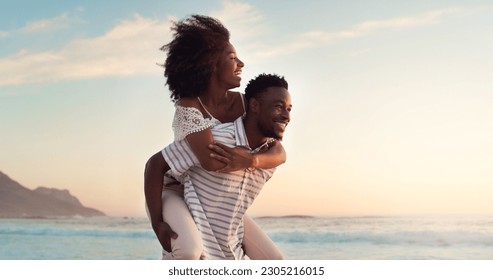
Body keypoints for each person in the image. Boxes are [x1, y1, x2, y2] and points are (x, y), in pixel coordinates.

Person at [144, 15, 286, 259]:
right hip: (175, 190)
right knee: (189, 250)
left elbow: (278, 151)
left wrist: (252, 161)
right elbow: (210, 161)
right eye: (232, 58)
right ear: (211, 64)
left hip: (212, 197)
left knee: (274, 261)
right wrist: (157, 222)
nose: (241, 63)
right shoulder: (189, 108)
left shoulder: (244, 104)